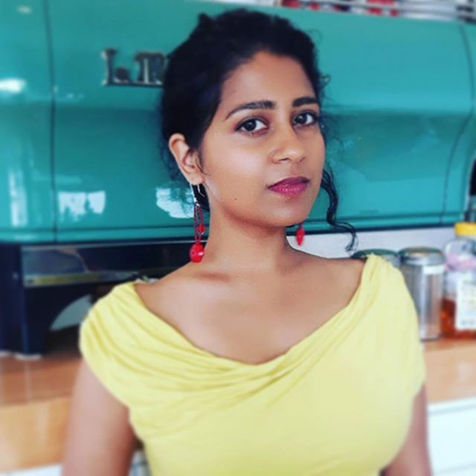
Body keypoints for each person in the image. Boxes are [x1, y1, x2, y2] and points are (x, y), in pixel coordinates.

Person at [62, 7, 431, 476]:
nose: (293, 147)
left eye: (304, 118)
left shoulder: (380, 297)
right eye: (252, 124)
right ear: (190, 158)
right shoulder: (130, 330)